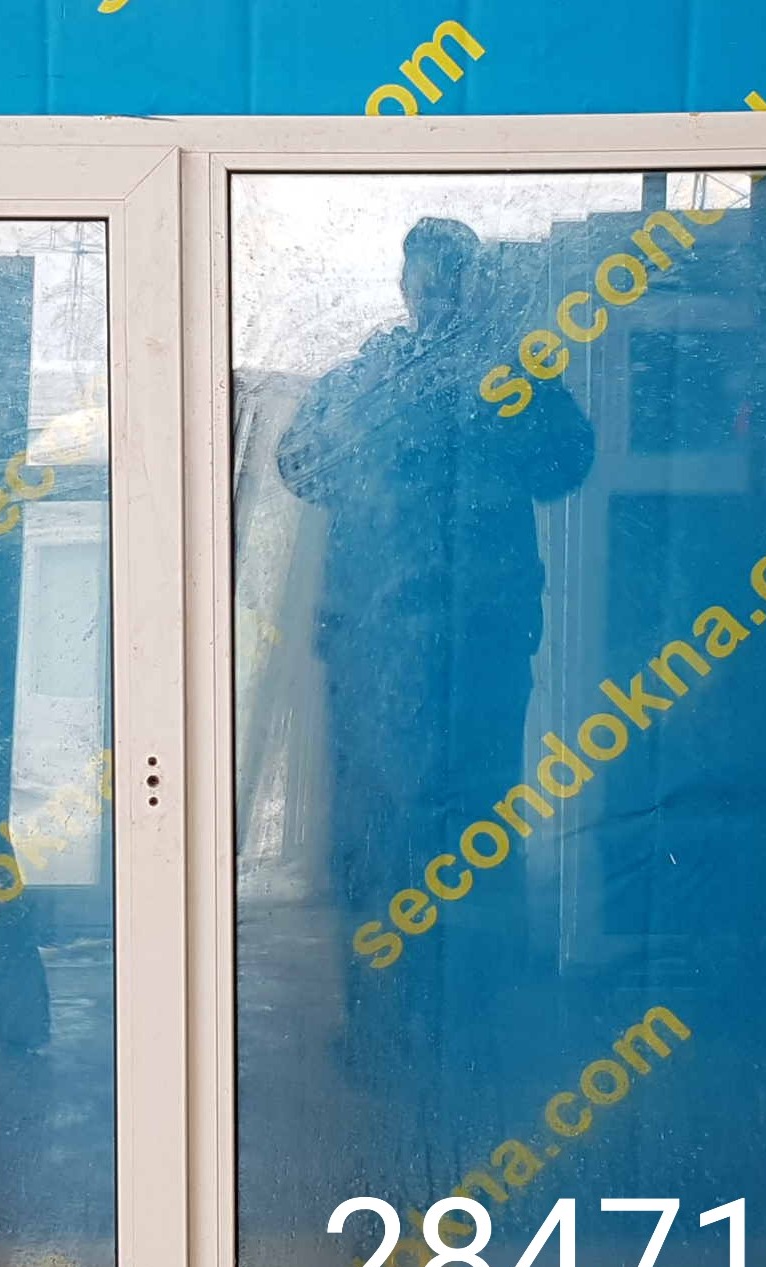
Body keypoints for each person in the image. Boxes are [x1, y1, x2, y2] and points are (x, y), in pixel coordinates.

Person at [275, 217, 595, 1189]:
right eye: (429, 284)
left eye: (455, 283)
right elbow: (299, 464)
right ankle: (391, 1032)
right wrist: (392, 398)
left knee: (470, 832)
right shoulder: (374, 373)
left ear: (473, 287)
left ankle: (463, 1029)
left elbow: (567, 461)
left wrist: (504, 381)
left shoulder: (508, 377)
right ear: (407, 288)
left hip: (473, 649)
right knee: (383, 838)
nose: (439, 300)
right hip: (380, 645)